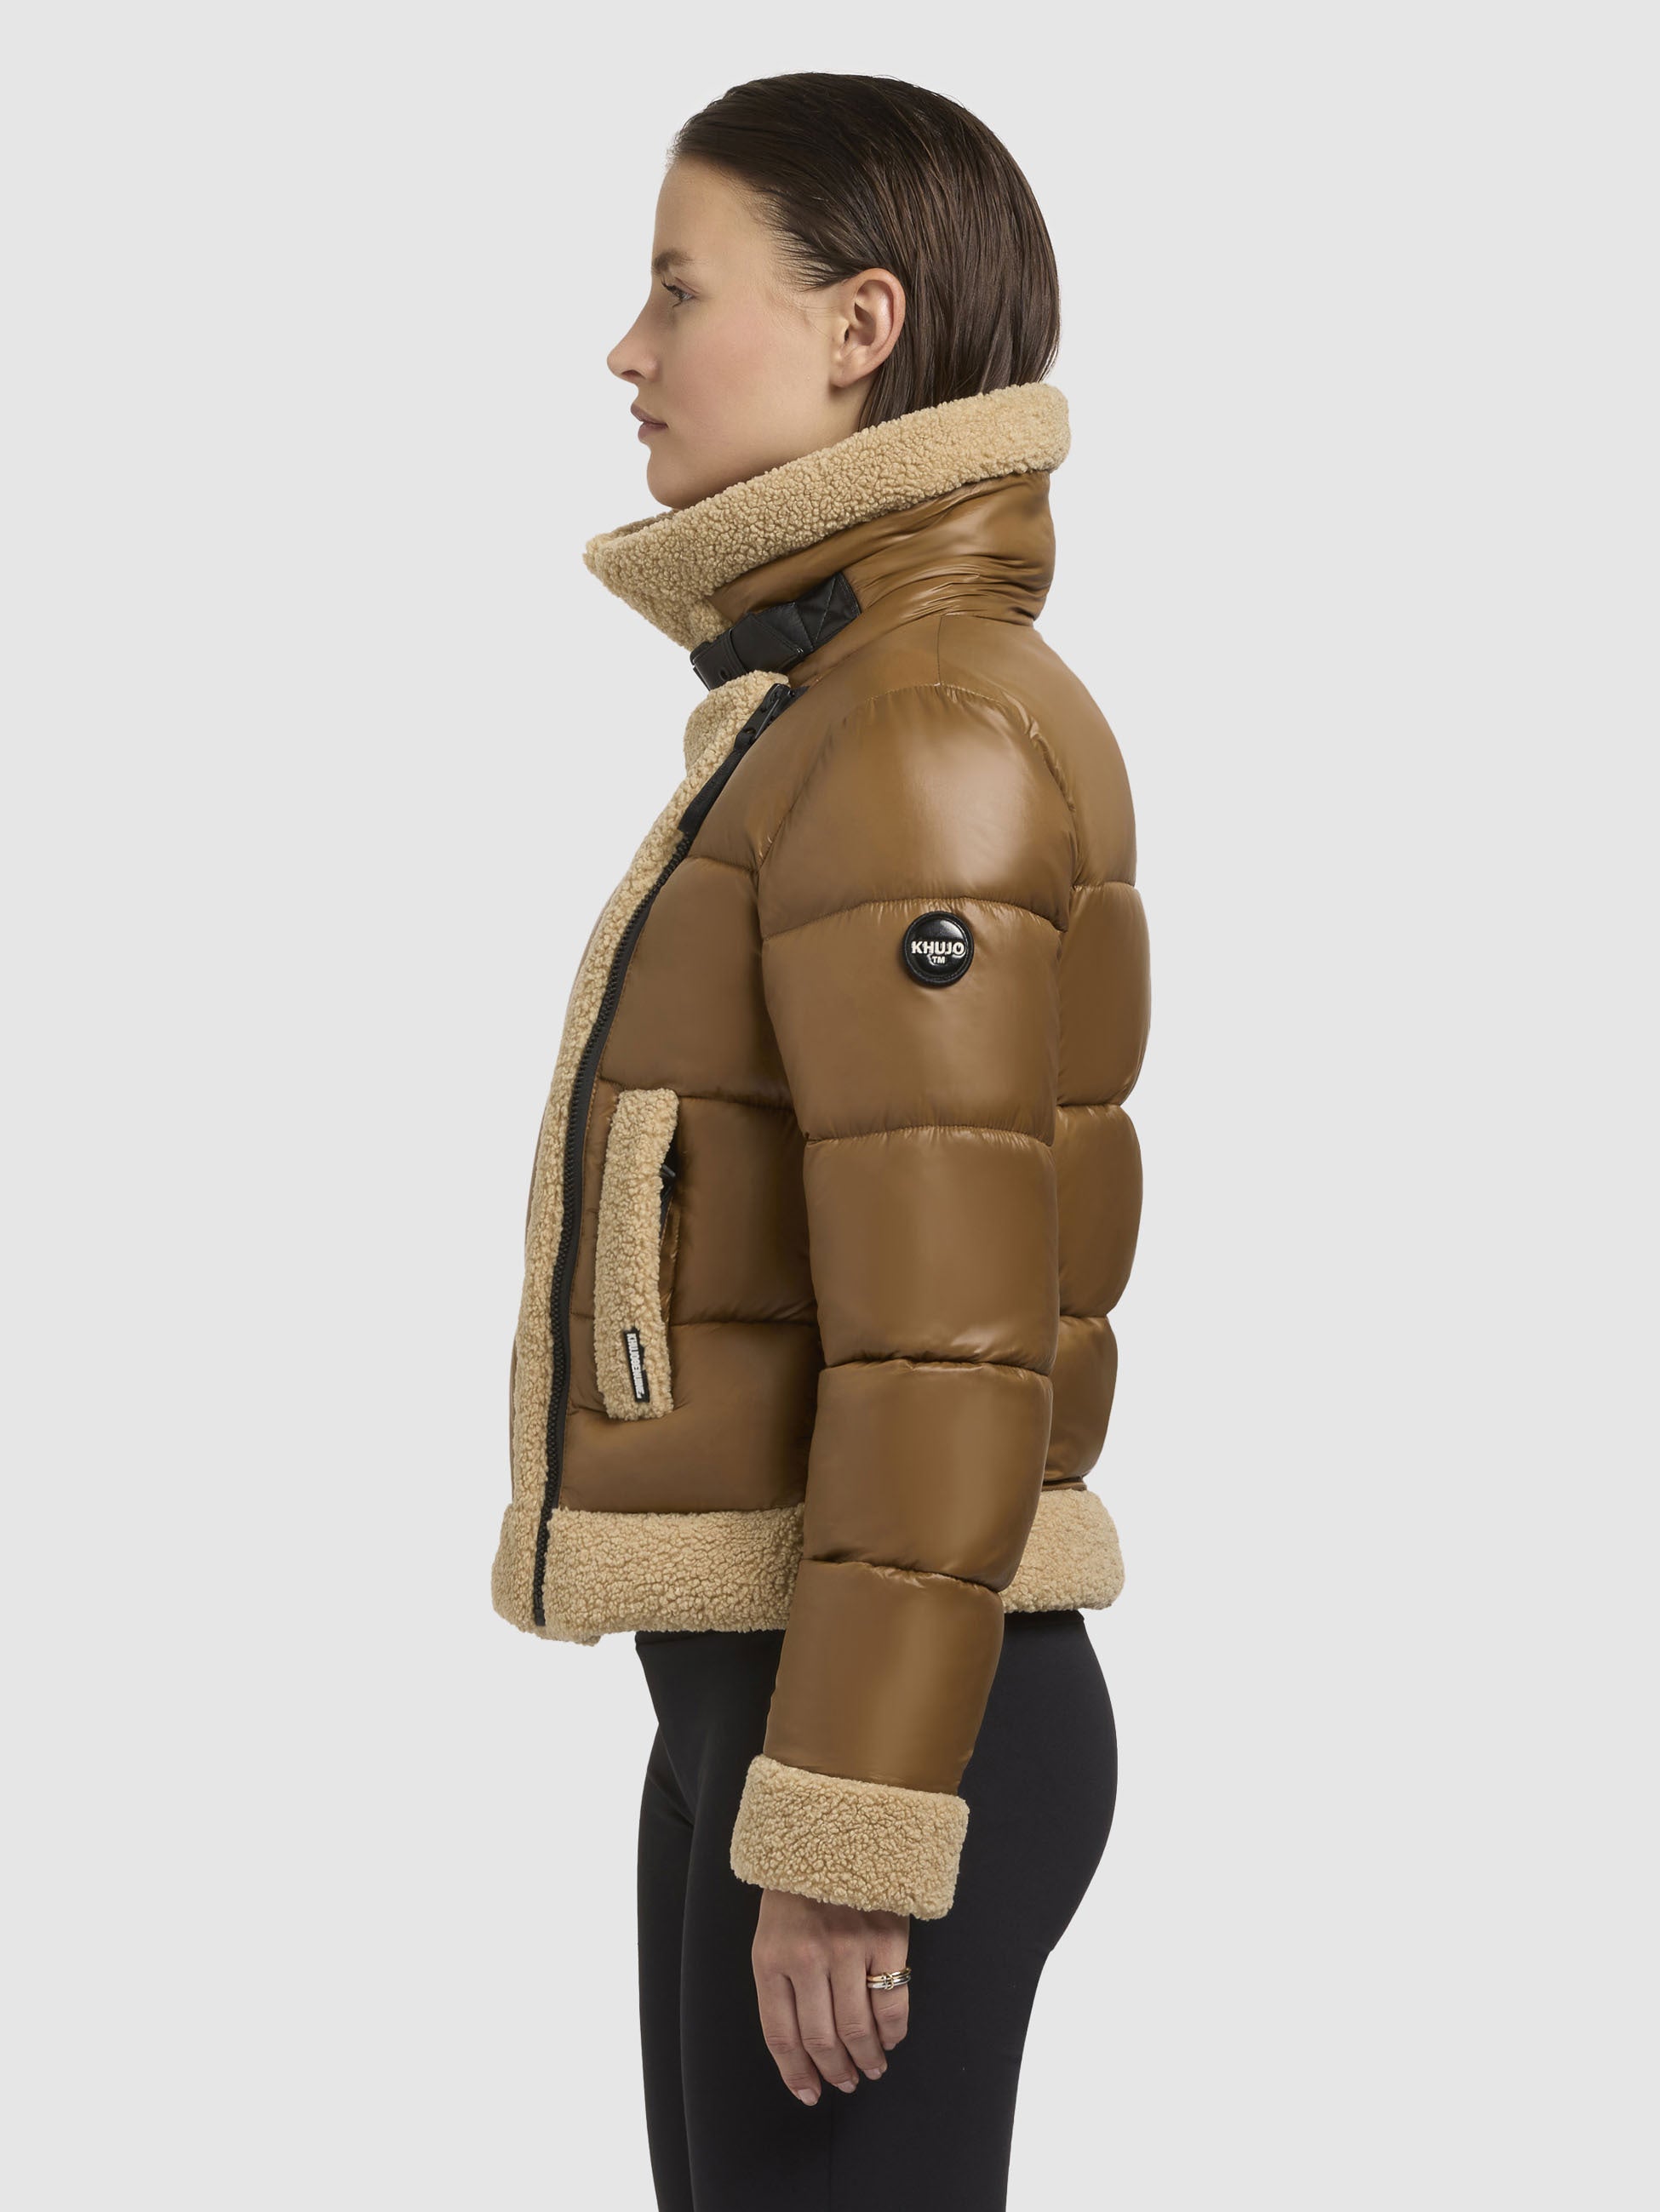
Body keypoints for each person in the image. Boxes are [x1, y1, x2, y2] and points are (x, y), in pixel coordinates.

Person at [490, 71, 1151, 2212]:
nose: (629, 350)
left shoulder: (914, 729)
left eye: (680, 291)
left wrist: (853, 1822)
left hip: (882, 1728)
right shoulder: (842, 706)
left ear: (862, 327)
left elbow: (948, 1342)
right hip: (782, 1693)